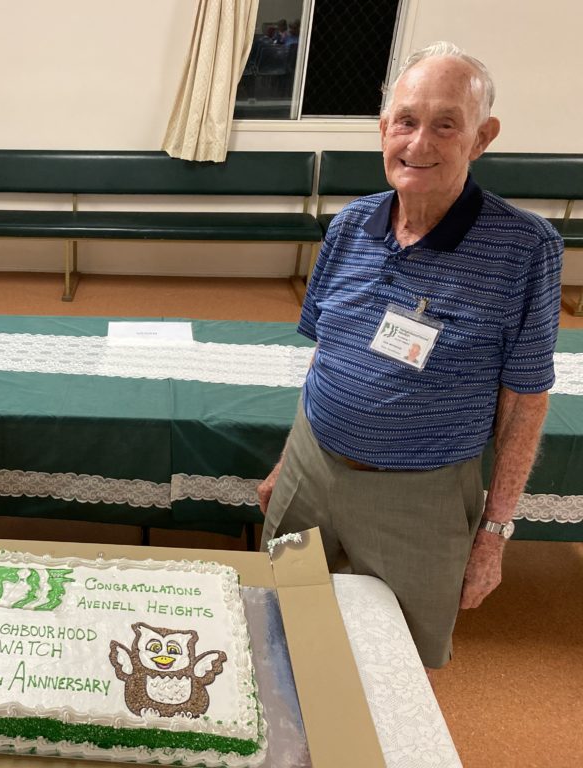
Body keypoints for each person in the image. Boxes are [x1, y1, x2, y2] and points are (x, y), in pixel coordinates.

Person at [257, 42, 562, 670]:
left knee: (395, 664)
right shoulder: (349, 225)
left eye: (446, 124)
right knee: (281, 618)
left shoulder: (526, 249)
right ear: (383, 130)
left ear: (481, 138)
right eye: (406, 121)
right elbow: (326, 359)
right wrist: (288, 463)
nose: (419, 143)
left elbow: (526, 400)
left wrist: (494, 536)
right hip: (310, 473)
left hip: (420, 498)